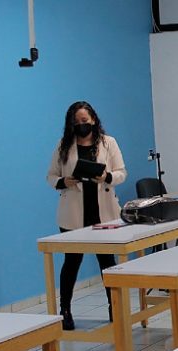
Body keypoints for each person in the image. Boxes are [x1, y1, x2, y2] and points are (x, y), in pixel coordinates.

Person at [46, 101, 127, 330]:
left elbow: (122, 173)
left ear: (93, 120)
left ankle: (114, 307)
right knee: (72, 262)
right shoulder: (63, 145)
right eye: (76, 122)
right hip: (73, 213)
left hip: (103, 212)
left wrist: (107, 177)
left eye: (85, 121)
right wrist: (64, 181)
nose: (81, 125)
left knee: (107, 262)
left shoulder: (108, 143)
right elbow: (51, 176)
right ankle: (65, 310)